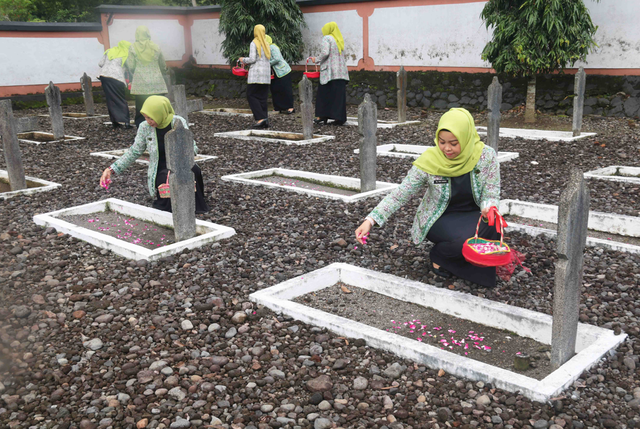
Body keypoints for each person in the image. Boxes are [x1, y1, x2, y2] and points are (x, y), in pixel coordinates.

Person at [354, 108, 501, 288]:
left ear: (467, 137)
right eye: (442, 142)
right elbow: (402, 192)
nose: (447, 148)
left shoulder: (486, 156)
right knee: (465, 241)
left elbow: (491, 191)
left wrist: (489, 207)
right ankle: (439, 256)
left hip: (473, 214)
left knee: (494, 225)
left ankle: (476, 264)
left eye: (454, 143)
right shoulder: (431, 160)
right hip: (439, 217)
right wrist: (371, 220)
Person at [99, 96, 209, 214]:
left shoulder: (178, 122)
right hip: (160, 167)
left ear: (160, 113)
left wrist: (183, 155)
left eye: (151, 117)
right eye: (145, 117)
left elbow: (193, 147)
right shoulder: (144, 127)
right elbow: (134, 151)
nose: (148, 121)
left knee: (195, 171)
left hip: (182, 162)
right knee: (166, 179)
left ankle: (194, 206)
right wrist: (112, 169)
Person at [126, 26, 168, 128]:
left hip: (141, 85)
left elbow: (131, 66)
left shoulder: (132, 48)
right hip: (157, 83)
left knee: (142, 108)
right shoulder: (156, 47)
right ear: (148, 34)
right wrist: (161, 70)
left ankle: (142, 128)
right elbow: (163, 64)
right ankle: (161, 126)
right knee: (158, 106)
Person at [310, 22, 349, 125]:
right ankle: (339, 118)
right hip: (340, 73)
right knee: (338, 96)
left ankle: (321, 116)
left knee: (324, 94)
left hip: (329, 72)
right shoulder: (339, 39)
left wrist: (316, 59)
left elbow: (325, 53)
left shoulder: (327, 38)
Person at [239, 24, 271, 128]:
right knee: (262, 97)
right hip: (266, 75)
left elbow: (252, 59)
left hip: (256, 75)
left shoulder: (254, 42)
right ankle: (264, 119)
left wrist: (242, 59)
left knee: (251, 95)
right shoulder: (266, 43)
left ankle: (260, 118)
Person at [98, 40, 132, 129]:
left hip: (104, 76)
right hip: (117, 78)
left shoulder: (109, 51)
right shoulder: (126, 53)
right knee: (120, 99)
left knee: (111, 99)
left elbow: (100, 63)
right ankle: (126, 122)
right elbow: (130, 66)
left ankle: (115, 122)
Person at [266, 35, 294, 115]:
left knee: (285, 89)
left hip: (283, 71)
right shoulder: (265, 48)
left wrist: (266, 63)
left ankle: (290, 107)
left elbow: (277, 59)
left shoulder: (272, 47)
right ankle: (277, 107)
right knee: (275, 89)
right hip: (274, 72)